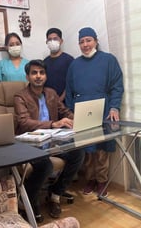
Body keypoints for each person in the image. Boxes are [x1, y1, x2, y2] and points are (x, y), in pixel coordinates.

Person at [13, 59, 84, 222]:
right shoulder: (20, 96)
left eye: (41, 72)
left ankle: (55, 194)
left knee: (78, 152)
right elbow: (24, 122)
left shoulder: (51, 93)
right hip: (29, 143)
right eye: (34, 73)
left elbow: (64, 111)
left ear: (45, 75)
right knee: (45, 164)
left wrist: (78, 120)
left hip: (52, 141)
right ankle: (29, 200)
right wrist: (53, 124)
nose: (38, 76)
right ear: (28, 76)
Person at [65, 27, 124, 197]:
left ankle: (102, 181)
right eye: (82, 42)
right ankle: (90, 179)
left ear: (96, 41)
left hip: (103, 109)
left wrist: (114, 107)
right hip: (81, 110)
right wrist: (71, 113)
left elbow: (117, 86)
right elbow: (68, 90)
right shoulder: (74, 65)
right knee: (87, 151)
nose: (85, 45)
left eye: (88, 40)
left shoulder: (108, 60)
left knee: (101, 150)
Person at [44, 28, 74, 102]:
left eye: (55, 39)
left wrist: (60, 100)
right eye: (49, 39)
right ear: (46, 42)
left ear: (61, 41)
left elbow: (71, 83)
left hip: (66, 102)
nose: (52, 41)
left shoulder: (69, 60)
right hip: (49, 102)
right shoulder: (44, 62)